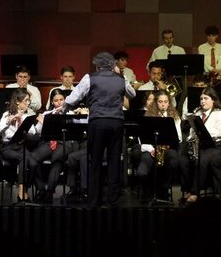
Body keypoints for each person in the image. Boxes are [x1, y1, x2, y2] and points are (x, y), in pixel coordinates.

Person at [63, 52, 136, 206]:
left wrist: (66, 106)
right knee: (114, 160)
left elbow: (74, 97)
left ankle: (93, 199)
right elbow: (132, 94)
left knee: (94, 160)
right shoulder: (121, 78)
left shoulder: (90, 77)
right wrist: (120, 76)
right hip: (116, 122)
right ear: (112, 65)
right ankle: (113, 199)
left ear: (97, 65)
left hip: (98, 122)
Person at [178, 87, 221, 204]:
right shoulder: (198, 113)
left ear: (213, 100)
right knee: (182, 160)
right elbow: (192, 131)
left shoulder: (220, 114)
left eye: (206, 98)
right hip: (201, 145)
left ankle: (195, 192)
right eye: (201, 99)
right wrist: (191, 138)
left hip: (216, 146)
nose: (202, 101)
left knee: (201, 160)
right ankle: (186, 190)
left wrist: (203, 133)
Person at [0, 89, 43, 201]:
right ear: (17, 101)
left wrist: (40, 123)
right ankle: (21, 193)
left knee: (34, 163)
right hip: (8, 147)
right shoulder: (7, 114)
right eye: (26, 100)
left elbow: (33, 133)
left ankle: (25, 189)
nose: (28, 103)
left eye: (29, 101)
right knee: (24, 159)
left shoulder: (27, 116)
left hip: (21, 147)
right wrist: (8, 121)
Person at [136, 90, 183, 202]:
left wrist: (165, 148)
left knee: (173, 161)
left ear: (169, 103)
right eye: (160, 102)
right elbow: (141, 138)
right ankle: (147, 192)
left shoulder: (174, 116)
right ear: (156, 103)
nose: (163, 104)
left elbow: (178, 137)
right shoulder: (148, 115)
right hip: (151, 148)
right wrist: (151, 149)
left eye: (166, 102)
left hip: (168, 148)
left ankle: (164, 190)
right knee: (142, 170)